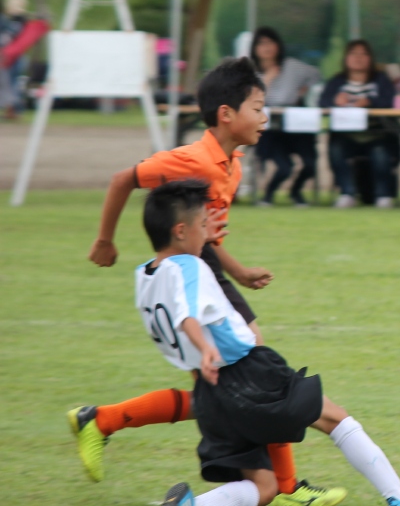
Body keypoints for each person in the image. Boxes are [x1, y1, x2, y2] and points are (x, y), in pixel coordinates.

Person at [77, 57, 343, 505]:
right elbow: (123, 179)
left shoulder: (232, 163)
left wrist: (238, 270)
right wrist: (105, 239)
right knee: (250, 379)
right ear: (226, 113)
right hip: (187, 273)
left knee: (232, 386)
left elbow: (209, 238)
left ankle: (102, 420)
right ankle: (285, 486)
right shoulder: (190, 159)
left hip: (208, 269)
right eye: (257, 108)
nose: (265, 117)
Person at [136, 180, 400, 506]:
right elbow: (187, 314)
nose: (208, 236)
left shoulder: (145, 276)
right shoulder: (190, 267)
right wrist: (206, 347)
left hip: (210, 394)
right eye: (202, 225)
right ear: (181, 231)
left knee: (265, 487)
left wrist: (201, 237)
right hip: (245, 374)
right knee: (335, 418)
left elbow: (176, 305)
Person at [319, 40, 399, 209]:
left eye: (363, 54)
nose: (358, 58)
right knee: (336, 149)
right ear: (346, 58)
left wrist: (369, 102)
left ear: (370, 58)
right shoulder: (337, 81)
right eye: (354, 53)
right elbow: (322, 102)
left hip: (376, 134)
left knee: (381, 153)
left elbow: (389, 101)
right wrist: (335, 101)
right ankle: (347, 193)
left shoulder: (381, 80)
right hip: (345, 135)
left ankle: (383, 195)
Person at [250, 27, 322, 207]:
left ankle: (296, 191)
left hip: (295, 124)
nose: (267, 47)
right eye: (262, 43)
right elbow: (249, 100)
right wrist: (267, 79)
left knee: (310, 163)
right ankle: (268, 194)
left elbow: (315, 75)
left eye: (271, 42)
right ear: (255, 48)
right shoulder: (250, 72)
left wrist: (304, 89)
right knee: (284, 167)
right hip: (268, 127)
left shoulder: (292, 66)